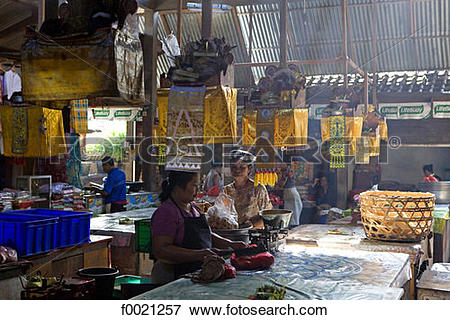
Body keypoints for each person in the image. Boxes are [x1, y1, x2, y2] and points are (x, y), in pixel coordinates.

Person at [150, 170, 246, 284]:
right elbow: (161, 250)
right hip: (172, 276)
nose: (198, 190)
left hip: (197, 273)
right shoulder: (166, 212)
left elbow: (206, 234)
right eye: (194, 185)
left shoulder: (194, 208)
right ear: (178, 187)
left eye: (199, 185)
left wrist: (231, 244)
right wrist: (200, 254)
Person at [223, 150, 272, 229]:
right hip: (231, 232)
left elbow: (268, 215)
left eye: (242, 167)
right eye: (233, 167)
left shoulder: (258, 189)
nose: (237, 170)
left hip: (253, 234)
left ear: (249, 169)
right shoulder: (227, 190)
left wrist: (251, 224)